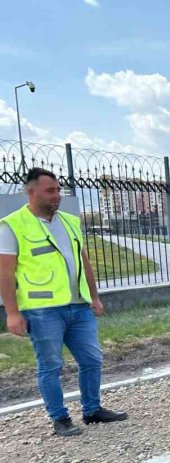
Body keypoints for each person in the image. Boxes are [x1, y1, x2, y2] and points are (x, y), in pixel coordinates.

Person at [0, 168, 127, 437]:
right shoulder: (12, 225)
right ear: (31, 192)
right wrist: (12, 312)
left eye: (58, 190)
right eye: (50, 190)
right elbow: (5, 272)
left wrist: (93, 296)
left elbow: (83, 261)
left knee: (92, 359)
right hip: (43, 310)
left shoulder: (69, 221)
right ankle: (60, 419)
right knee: (50, 366)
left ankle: (92, 410)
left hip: (79, 306)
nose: (57, 195)